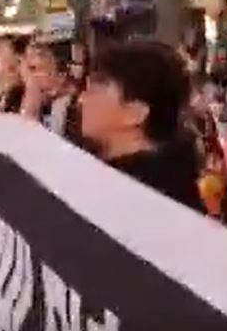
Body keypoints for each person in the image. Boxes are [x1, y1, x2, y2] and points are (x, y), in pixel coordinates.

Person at [76, 40, 205, 212]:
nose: (81, 100)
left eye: (95, 90)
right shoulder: (111, 180)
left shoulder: (148, 202)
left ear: (136, 113)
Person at [17, 38, 80, 140]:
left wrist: (33, 96)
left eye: (34, 70)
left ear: (61, 75)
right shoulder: (15, 97)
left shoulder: (76, 108)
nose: (30, 79)